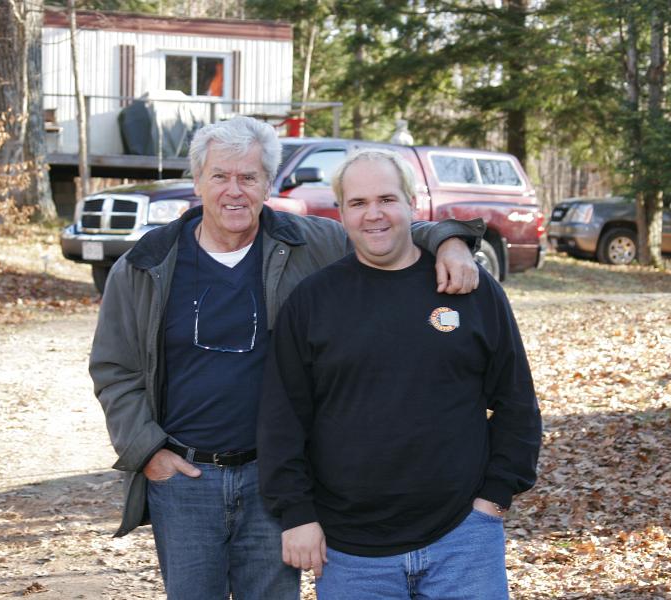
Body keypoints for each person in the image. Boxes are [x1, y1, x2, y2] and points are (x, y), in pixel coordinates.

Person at [88, 117, 483, 600]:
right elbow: (114, 369)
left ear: (268, 183)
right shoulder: (146, 264)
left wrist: (449, 240)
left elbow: (383, 227)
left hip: (275, 481)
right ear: (197, 181)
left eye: (249, 177)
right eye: (220, 176)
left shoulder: (310, 244)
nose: (234, 191)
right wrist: (150, 453)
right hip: (185, 480)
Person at [258, 148, 542, 599]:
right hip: (351, 552)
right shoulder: (312, 302)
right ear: (341, 212)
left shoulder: (468, 287)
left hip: (462, 540)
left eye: (387, 199)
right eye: (358, 203)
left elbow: (517, 402)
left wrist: (494, 498)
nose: (374, 214)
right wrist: (296, 513)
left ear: (412, 203)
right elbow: (282, 419)